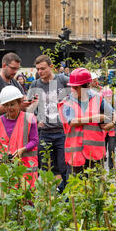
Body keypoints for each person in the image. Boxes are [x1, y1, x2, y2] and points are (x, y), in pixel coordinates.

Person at [58, 68, 115, 176]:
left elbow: (113, 113)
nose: (72, 89)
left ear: (87, 87)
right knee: (75, 189)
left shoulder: (98, 98)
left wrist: (112, 124)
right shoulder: (67, 102)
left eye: (76, 87)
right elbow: (72, 121)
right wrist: (96, 118)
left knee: (98, 188)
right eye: (72, 87)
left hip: (95, 154)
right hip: (75, 156)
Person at [26, 55, 69, 193]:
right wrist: (35, 121)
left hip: (62, 131)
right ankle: (49, 196)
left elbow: (78, 91)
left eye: (43, 68)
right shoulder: (35, 85)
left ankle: (64, 194)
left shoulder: (62, 80)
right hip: (44, 133)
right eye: (38, 69)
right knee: (45, 167)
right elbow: (29, 109)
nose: (40, 72)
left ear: (51, 67)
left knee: (64, 166)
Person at [0, 86, 39, 188]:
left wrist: (23, 149)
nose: (9, 108)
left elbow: (34, 140)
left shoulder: (29, 118)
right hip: (6, 169)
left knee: (26, 198)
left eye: (12, 104)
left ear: (19, 103)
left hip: (26, 167)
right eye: (6, 105)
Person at [0, 53, 30, 168]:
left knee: (15, 167)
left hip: (14, 129)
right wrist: (13, 106)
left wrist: (28, 102)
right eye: (13, 68)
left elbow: (23, 102)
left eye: (17, 69)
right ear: (4, 65)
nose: (15, 72)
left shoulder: (15, 83)